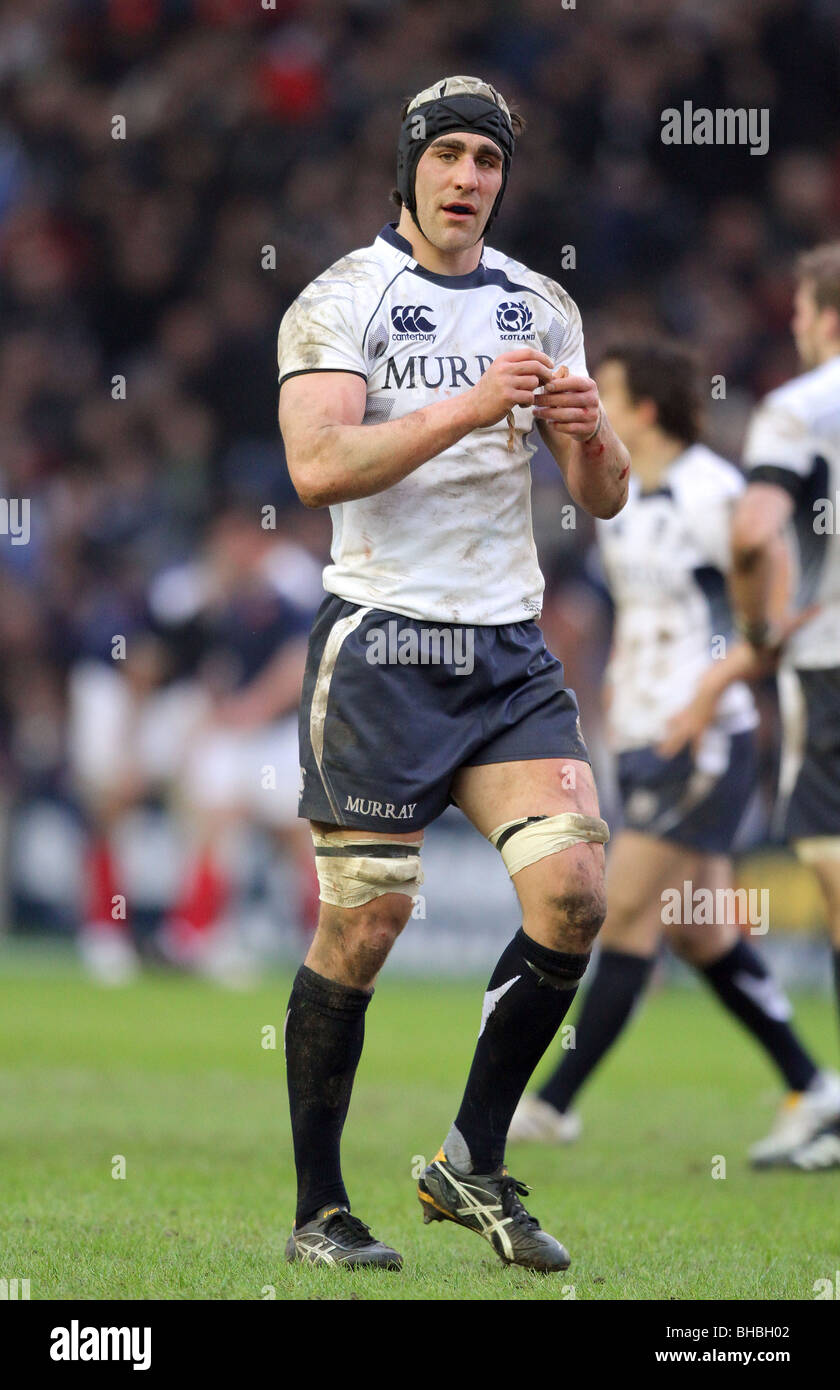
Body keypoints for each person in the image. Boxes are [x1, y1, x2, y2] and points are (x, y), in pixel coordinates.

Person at [275, 75, 630, 1271]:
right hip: (384, 641)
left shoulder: (544, 304)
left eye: (488, 159)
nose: (470, 177)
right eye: (451, 156)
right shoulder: (342, 301)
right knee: (368, 924)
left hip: (507, 650)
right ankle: (320, 1208)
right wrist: (475, 406)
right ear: (410, 168)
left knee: (577, 893)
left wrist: (589, 433)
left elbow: (605, 496)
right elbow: (319, 466)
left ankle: (468, 1160)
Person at [508, 342, 840, 1160]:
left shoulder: (713, 492)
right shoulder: (621, 499)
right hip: (645, 732)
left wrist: (704, 697)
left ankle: (551, 1103)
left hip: (706, 739)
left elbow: (775, 617)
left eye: (607, 391)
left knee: (621, 910)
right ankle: (815, 1087)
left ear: (645, 409)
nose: (593, 403)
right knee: (701, 929)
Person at [662, 243, 840, 1169]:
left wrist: (757, 632)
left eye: (805, 314)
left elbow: (756, 525)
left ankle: (832, 1103)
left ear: (823, 318)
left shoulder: (801, 406)